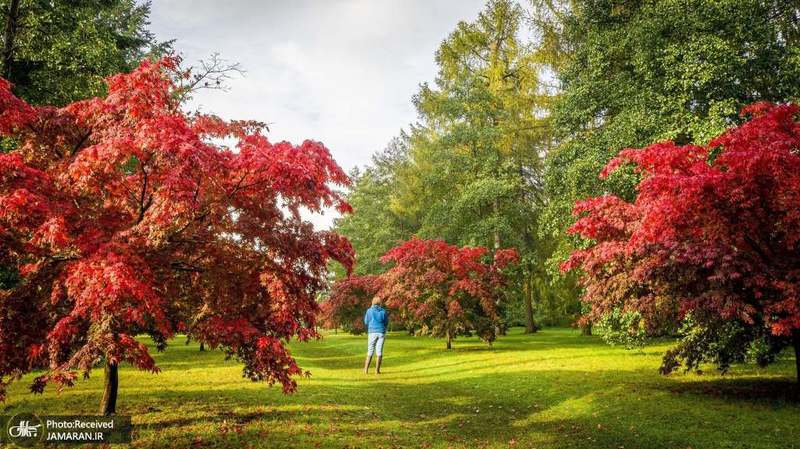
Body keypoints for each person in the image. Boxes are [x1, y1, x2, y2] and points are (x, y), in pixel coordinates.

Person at [363, 296, 388, 374]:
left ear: (373, 302)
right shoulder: (383, 311)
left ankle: (366, 370)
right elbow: (386, 322)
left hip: (372, 332)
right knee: (379, 352)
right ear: (380, 303)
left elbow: (366, 322)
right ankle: (377, 371)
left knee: (370, 351)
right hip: (381, 332)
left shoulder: (369, 311)